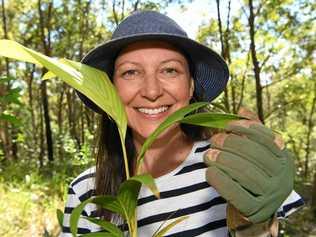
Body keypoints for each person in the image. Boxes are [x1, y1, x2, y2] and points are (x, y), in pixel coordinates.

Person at [60, 11, 303, 237]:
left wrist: (254, 223)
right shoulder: (86, 193)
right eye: (130, 72)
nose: (152, 91)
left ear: (191, 87)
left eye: (169, 70)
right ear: (110, 92)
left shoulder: (230, 162)